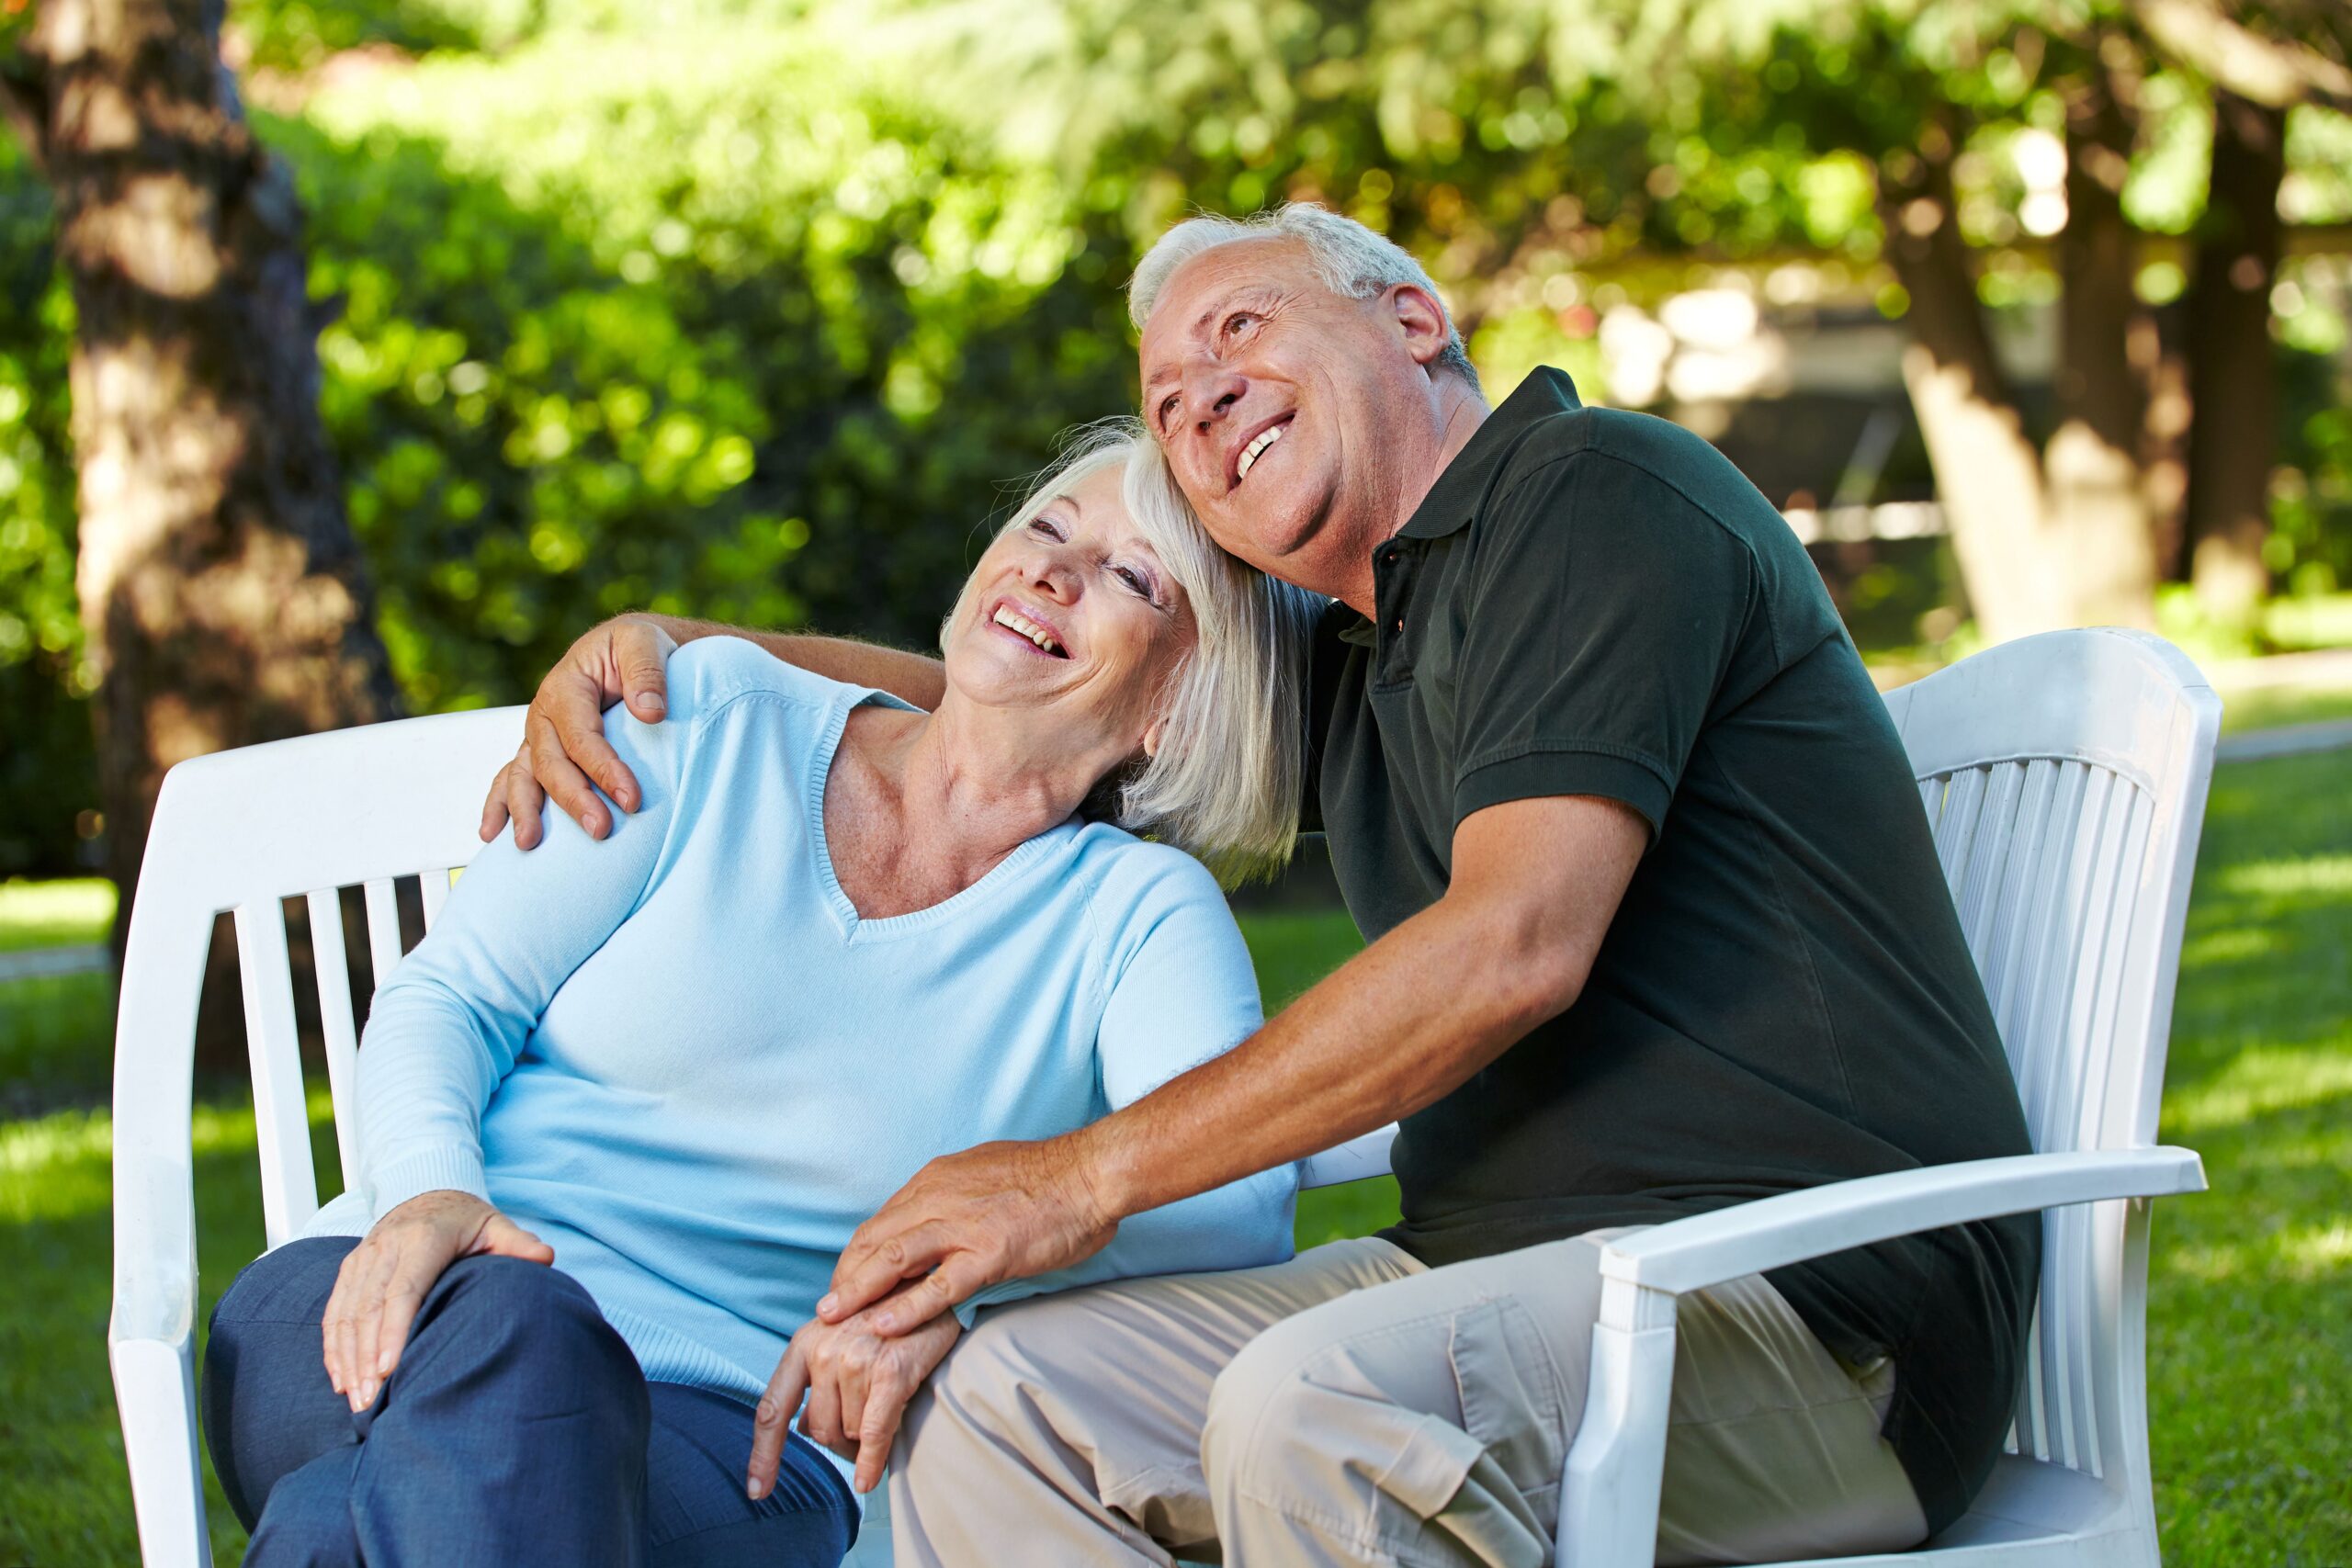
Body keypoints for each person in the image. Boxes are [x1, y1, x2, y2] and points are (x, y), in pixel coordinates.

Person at [492, 205, 2040, 1567]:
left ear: (1413, 321)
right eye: (1166, 401)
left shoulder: (1597, 499)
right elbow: (1045, 696)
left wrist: (1075, 1177)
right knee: (998, 1403)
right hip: (1491, 1290)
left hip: (1810, 1311)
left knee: (1315, 1412)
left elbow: (1515, 943)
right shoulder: (1371, 656)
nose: (1199, 394)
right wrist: (689, 650)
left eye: (1240, 328)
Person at [199, 424, 1322, 1568]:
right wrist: (432, 1194)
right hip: (405, 1294)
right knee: (520, 1330)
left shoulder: (1137, 916)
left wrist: (956, 1285)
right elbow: (453, 995)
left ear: (1180, 705)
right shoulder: (712, 722)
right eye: (1046, 526)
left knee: (345, 1527)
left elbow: (1230, 1203)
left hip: (735, 1423)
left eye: (1131, 577)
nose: (1049, 571)